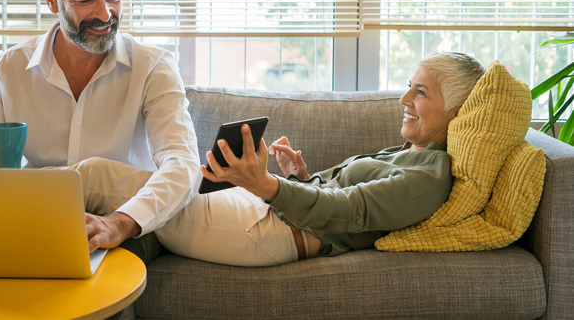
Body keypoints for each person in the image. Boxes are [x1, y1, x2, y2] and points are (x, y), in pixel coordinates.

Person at [71, 51, 486, 266]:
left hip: (270, 234)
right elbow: (336, 197)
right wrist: (299, 178)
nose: (404, 99)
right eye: (409, 86)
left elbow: (349, 213)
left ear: (457, 111)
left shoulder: (432, 176)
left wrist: (267, 185)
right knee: (96, 174)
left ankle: (8, 231)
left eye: (421, 93)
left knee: (96, 179)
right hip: (265, 214)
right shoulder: (407, 152)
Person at [0, 0, 201, 259]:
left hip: (123, 217)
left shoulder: (153, 68)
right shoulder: (8, 69)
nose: (106, 14)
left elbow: (183, 165)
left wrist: (122, 222)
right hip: (29, 217)